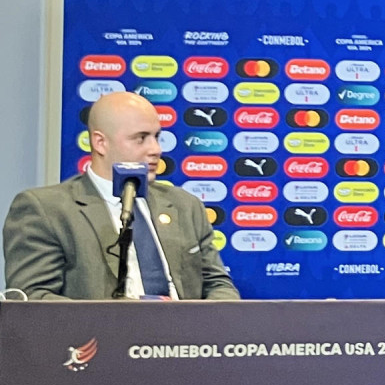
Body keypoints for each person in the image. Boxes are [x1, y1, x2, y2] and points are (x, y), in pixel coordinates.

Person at [2, 91, 239, 300]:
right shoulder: (46, 210)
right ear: (100, 143)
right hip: (99, 344)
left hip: (183, 344)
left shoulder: (185, 206)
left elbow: (218, 285)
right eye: (140, 138)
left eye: (157, 137)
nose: (155, 150)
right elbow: (34, 298)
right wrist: (118, 323)